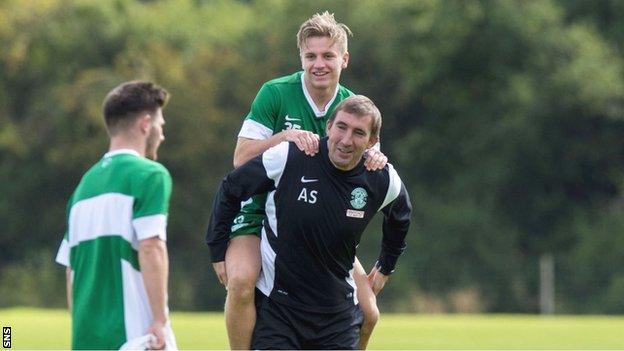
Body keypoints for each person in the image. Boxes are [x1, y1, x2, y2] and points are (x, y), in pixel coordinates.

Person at [207, 12, 387, 350]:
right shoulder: (275, 93)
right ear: (301, 58)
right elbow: (241, 158)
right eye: (311, 56)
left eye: (328, 56)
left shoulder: (352, 108)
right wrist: (285, 137)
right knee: (242, 281)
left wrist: (376, 158)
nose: (319, 64)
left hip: (313, 224)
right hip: (260, 212)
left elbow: (368, 168)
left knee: (369, 311)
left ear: (343, 59)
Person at [207, 95, 411, 349]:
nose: (346, 140)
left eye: (359, 133)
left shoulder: (381, 178)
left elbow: (401, 216)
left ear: (372, 142)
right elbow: (231, 188)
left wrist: (385, 266)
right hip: (280, 311)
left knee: (371, 314)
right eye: (341, 127)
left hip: (337, 317)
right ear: (328, 127)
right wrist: (217, 250)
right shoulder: (291, 157)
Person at [55, 81, 177, 350]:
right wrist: (160, 320)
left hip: (86, 340)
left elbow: (71, 271)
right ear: (145, 124)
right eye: (161, 125)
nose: (162, 134)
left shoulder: (82, 188)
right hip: (135, 338)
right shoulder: (150, 174)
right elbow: (151, 246)